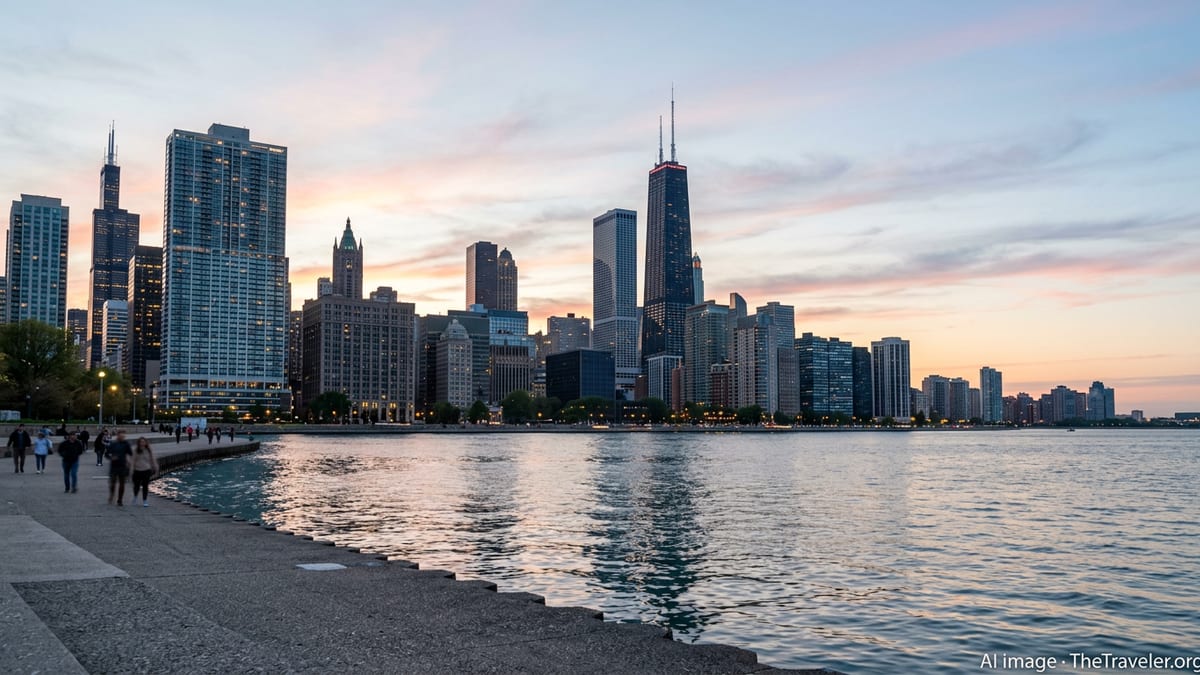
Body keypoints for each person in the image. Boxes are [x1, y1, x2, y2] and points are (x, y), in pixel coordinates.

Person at [104, 429, 133, 506]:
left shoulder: (126, 444)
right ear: (118, 435)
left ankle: (120, 499)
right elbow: (106, 454)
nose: (123, 436)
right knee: (112, 483)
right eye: (121, 434)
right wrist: (111, 458)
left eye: (124, 435)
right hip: (114, 466)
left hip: (123, 466)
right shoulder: (113, 444)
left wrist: (129, 461)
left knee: (122, 484)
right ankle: (112, 494)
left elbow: (131, 454)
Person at [130, 437, 159, 507]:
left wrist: (155, 466)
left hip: (146, 470)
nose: (142, 443)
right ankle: (135, 497)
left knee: (145, 486)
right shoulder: (136, 450)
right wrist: (131, 470)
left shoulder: (149, 450)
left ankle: (145, 500)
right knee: (136, 486)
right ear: (139, 443)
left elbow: (153, 459)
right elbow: (133, 461)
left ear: (146, 443)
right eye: (141, 442)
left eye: (143, 442)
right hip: (137, 470)